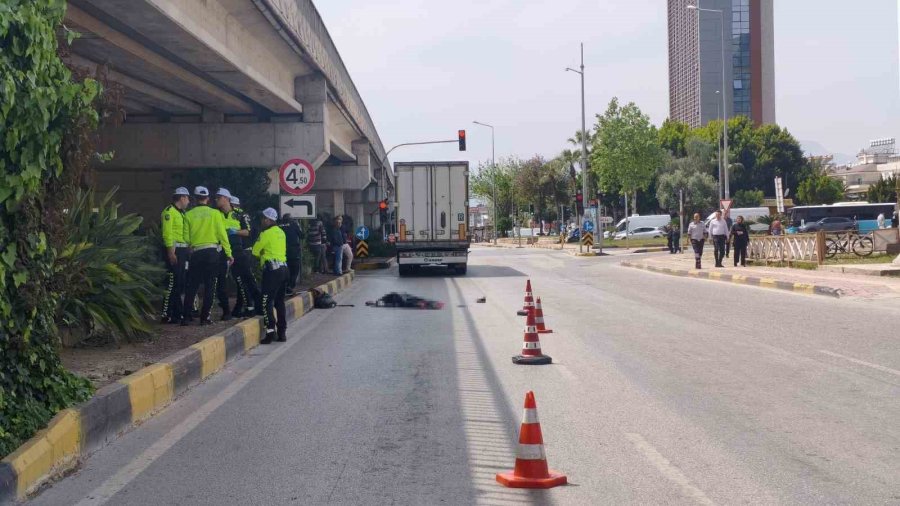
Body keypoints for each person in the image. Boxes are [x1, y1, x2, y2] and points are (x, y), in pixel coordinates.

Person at [181, 186, 232, 326]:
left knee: (192, 286)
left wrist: (190, 247)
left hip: (196, 253)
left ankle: (185, 317)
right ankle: (205, 318)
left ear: (194, 199)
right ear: (208, 199)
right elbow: (222, 235)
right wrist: (229, 253)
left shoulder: (188, 215)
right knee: (210, 286)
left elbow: (185, 237)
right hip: (212, 253)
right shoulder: (215, 214)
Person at [253, 208, 288, 343]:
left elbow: (255, 251)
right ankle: (282, 332)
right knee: (280, 302)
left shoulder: (265, 233)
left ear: (268, 220)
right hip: (284, 269)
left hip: (272, 271)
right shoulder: (281, 232)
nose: (262, 221)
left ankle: (270, 333)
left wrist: (262, 254)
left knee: (266, 301)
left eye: (263, 219)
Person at [224, 194, 259, 318]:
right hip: (245, 251)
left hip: (242, 251)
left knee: (242, 280)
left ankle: (250, 306)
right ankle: (240, 307)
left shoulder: (239, 215)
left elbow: (248, 232)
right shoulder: (243, 214)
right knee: (242, 281)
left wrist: (233, 232)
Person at [160, 187, 190, 323]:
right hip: (175, 250)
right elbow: (168, 234)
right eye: (187, 198)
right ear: (182, 198)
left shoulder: (182, 213)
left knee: (180, 283)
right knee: (172, 283)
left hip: (183, 251)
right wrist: (171, 252)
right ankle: (166, 314)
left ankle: (177, 314)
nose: (188, 201)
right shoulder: (169, 212)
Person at [279, 213, 304, 295]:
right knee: (295, 270)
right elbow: (302, 235)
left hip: (282, 252)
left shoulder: (279, 226)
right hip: (293, 252)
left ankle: (284, 287)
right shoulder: (294, 224)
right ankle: (290, 287)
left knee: (286, 270)